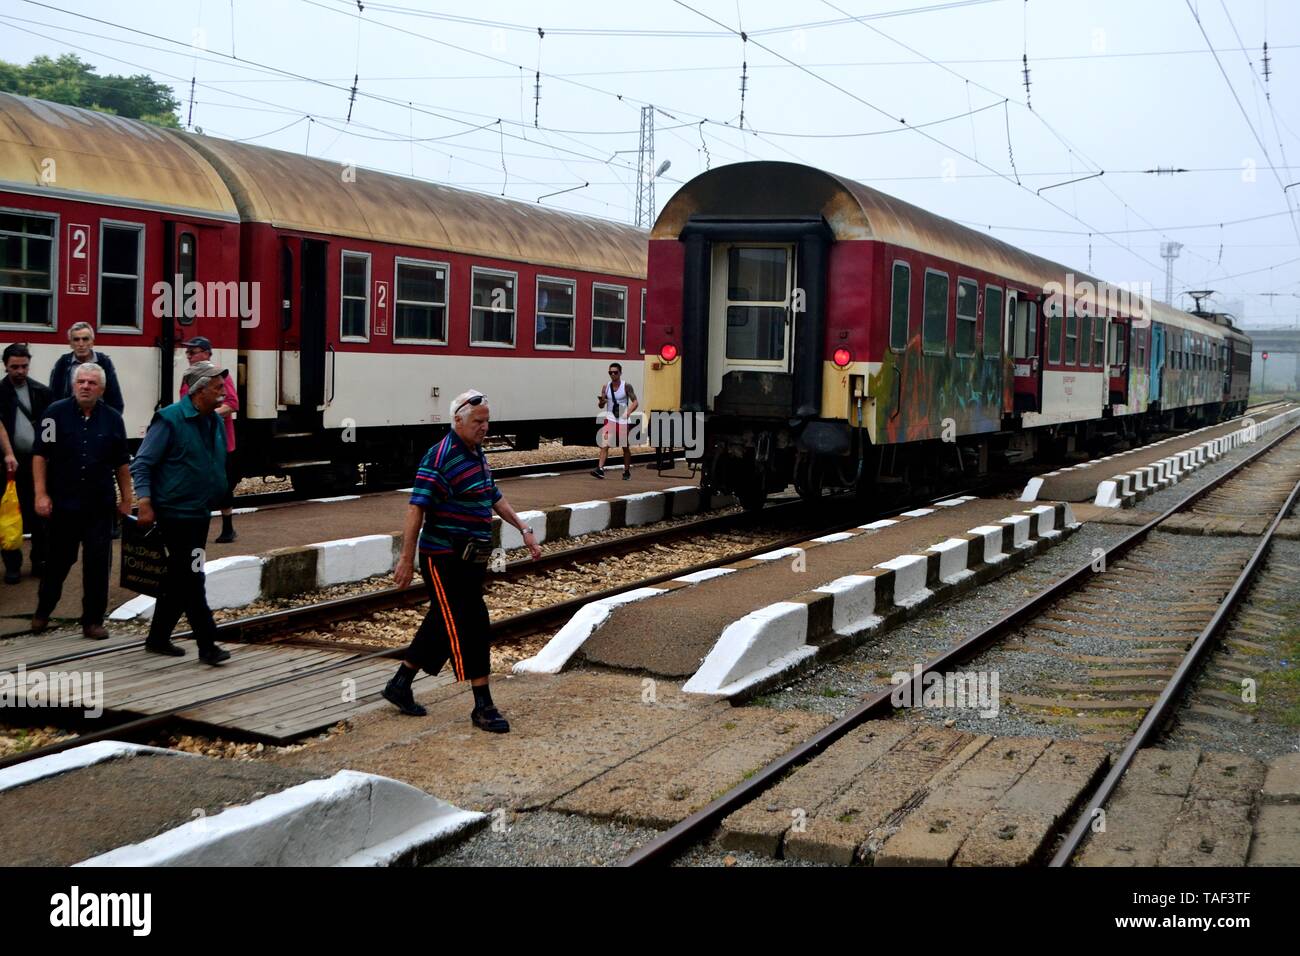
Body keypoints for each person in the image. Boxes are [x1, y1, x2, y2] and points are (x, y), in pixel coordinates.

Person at [384, 389, 542, 730]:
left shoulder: (476, 453)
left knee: (442, 621)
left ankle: (400, 684)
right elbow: (417, 508)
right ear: (458, 420)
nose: (484, 428)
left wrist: (524, 528)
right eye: (478, 422)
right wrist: (406, 559)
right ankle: (482, 705)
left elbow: (493, 496)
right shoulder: (440, 456)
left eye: (487, 422)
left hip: (473, 556)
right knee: (472, 621)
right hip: (443, 557)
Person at [130, 361, 232, 665]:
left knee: (179, 578)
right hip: (176, 514)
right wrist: (144, 502)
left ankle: (158, 638)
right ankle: (207, 644)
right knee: (192, 576)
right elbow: (142, 463)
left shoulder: (212, 420)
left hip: (199, 513)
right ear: (199, 390)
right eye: (217, 387)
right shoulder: (170, 420)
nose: (223, 392)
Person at [30, 364, 132, 639]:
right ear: (74, 385)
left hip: (99, 506)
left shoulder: (113, 419)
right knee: (57, 563)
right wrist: (41, 494)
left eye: (92, 383)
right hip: (64, 505)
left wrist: (127, 499)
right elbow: (40, 455)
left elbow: (121, 463)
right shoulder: (54, 414)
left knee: (98, 566)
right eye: (81, 382)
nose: (85, 386)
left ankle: (93, 621)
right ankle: (42, 611)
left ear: (101, 389)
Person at [178, 337, 240, 543]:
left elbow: (232, 403)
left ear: (206, 353)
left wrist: (208, 415)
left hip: (219, 439)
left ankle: (228, 527)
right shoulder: (188, 377)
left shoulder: (220, 375)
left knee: (222, 484)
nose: (189, 356)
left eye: (193, 352)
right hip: (196, 438)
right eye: (187, 353)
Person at [1, 344, 53, 583]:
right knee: (10, 516)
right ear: (5, 366)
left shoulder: (41, 391)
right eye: (15, 367)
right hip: (9, 466)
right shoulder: (1, 393)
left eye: (24, 366)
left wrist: (50, 454)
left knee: (41, 513)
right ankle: (13, 565)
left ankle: (40, 561)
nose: (20, 371)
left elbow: (51, 426)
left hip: (37, 462)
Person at [48, 323, 125, 415]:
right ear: (71, 344)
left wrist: (110, 423)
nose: (81, 344)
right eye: (76, 340)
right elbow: (53, 397)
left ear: (92, 342)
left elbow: (115, 400)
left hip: (99, 419)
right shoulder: (63, 363)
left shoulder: (104, 363)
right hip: (69, 419)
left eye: (85, 339)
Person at [590, 362, 638, 480]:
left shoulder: (626, 386)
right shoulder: (605, 387)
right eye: (610, 372)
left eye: (615, 372)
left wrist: (628, 413)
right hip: (610, 418)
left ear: (620, 373)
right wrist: (602, 402)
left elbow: (635, 402)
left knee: (625, 447)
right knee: (604, 445)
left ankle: (626, 471)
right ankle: (600, 469)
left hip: (622, 420)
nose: (613, 375)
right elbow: (601, 406)